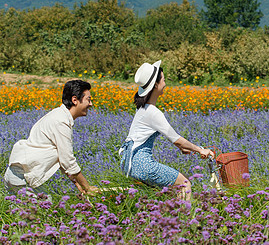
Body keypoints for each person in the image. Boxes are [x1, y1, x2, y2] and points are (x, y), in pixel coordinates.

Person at [119, 60, 214, 201]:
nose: (165, 84)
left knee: (164, 194)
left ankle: (165, 219)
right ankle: (184, 221)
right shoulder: (153, 112)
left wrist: (184, 148)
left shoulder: (142, 109)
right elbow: (177, 140)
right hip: (142, 165)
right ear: (156, 84)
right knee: (184, 184)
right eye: (163, 80)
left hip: (128, 163)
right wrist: (200, 150)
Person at [3, 80, 99, 196]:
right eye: (88, 100)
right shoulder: (60, 121)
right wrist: (87, 187)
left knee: (31, 210)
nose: (91, 104)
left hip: (18, 176)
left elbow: (64, 164)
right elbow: (68, 161)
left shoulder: (59, 116)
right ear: (75, 100)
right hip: (21, 178)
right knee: (43, 208)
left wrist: (79, 186)